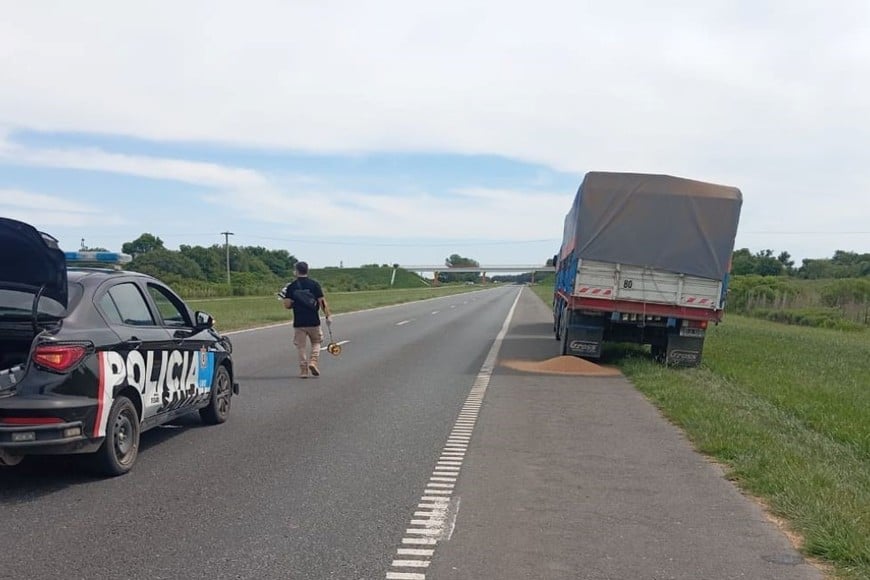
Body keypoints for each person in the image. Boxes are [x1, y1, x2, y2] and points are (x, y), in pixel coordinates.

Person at [282, 261, 332, 378]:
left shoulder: (291, 286)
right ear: (307, 270)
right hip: (313, 321)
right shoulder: (314, 284)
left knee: (301, 347)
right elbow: (322, 302)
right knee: (316, 342)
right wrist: (328, 315)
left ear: (296, 271)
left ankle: (303, 370)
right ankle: (313, 362)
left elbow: (287, 305)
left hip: (299, 322)